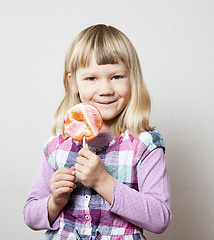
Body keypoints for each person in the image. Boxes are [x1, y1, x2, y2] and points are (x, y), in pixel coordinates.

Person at [23, 24, 172, 239]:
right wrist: (55, 201)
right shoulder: (58, 146)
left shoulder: (144, 145)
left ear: (133, 78)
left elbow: (160, 218)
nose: (105, 90)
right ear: (73, 82)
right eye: (91, 78)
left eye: (117, 77)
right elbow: (30, 215)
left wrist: (103, 181)